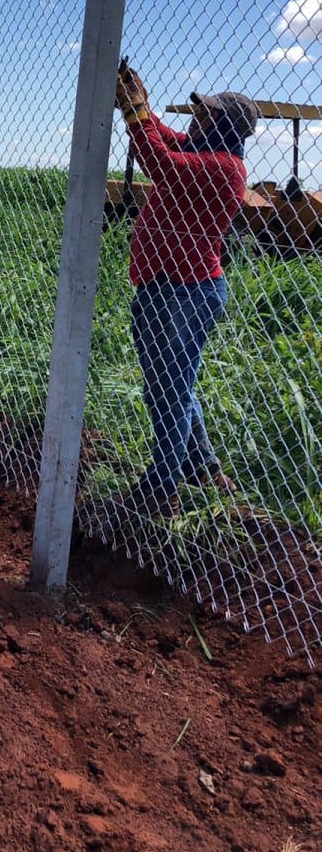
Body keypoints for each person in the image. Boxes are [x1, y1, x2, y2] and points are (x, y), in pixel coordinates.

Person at [113, 65, 258, 516]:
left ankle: (162, 487)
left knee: (167, 391)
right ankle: (204, 466)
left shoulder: (224, 169)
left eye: (206, 116)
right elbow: (166, 139)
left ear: (225, 128)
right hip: (171, 290)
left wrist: (136, 111)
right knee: (178, 385)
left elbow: (161, 161)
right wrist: (141, 105)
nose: (196, 121)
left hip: (183, 294)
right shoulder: (204, 154)